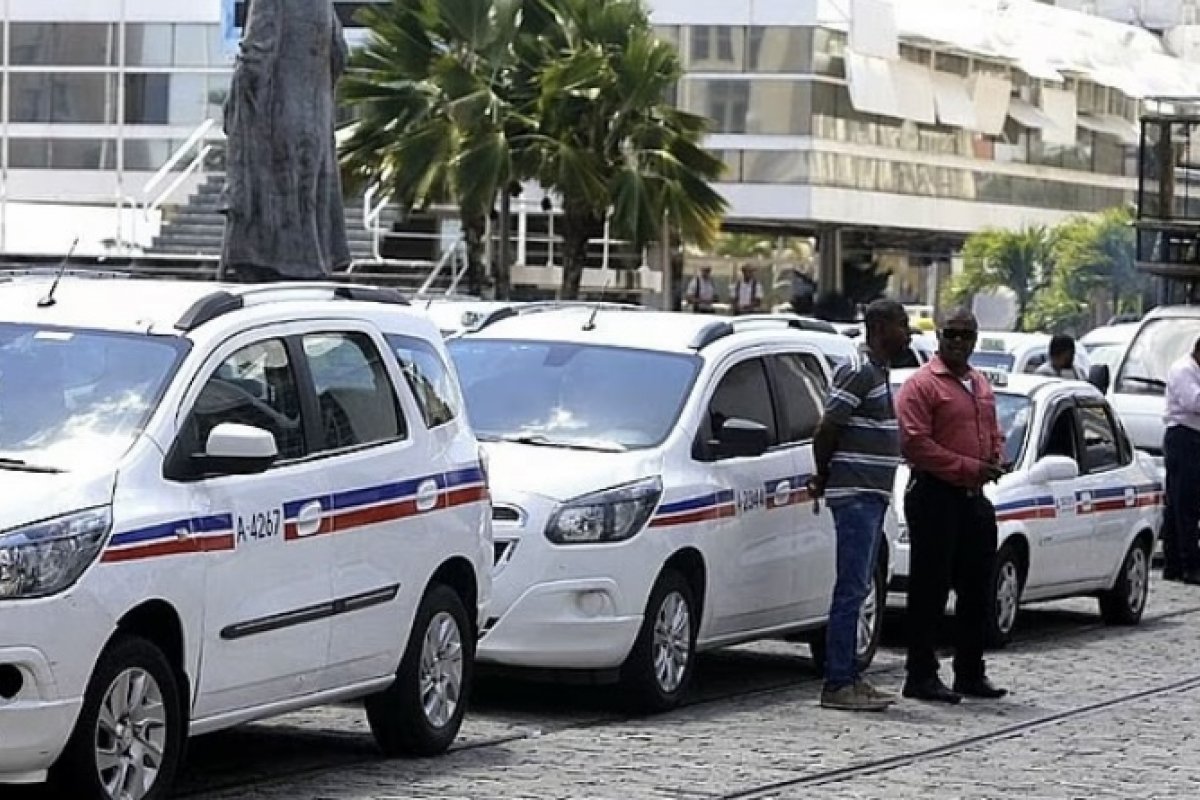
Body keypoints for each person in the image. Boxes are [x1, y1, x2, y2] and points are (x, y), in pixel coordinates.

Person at [895, 308, 1008, 704]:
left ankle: (970, 671)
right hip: (935, 494)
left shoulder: (979, 383)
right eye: (951, 334)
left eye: (966, 335)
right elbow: (915, 444)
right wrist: (966, 467)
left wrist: (995, 454)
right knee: (930, 588)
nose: (959, 341)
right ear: (939, 337)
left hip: (974, 498)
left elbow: (992, 429)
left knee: (977, 587)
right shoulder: (921, 385)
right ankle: (921, 674)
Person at [809, 299, 911, 711]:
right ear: (880, 326)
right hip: (854, 496)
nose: (907, 333)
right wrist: (823, 472)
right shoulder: (857, 369)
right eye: (902, 325)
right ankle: (838, 682)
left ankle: (851, 674)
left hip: (872, 494)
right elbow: (828, 426)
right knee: (851, 589)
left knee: (861, 585)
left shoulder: (879, 373)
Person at [1163, 336, 1200, 584]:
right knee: (1184, 503)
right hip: (1184, 438)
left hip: (1193, 438)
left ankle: (1175, 563)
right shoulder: (1183, 370)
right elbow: (1194, 402)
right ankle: (1187, 565)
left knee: (1184, 502)